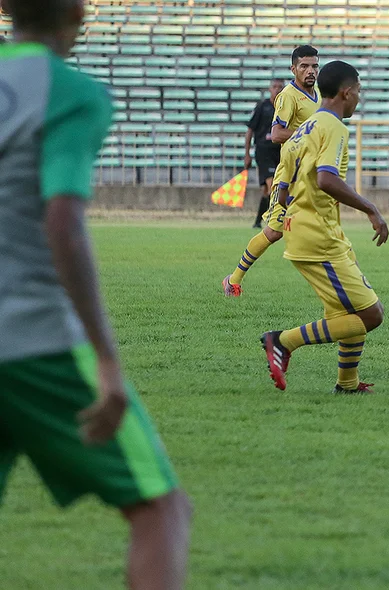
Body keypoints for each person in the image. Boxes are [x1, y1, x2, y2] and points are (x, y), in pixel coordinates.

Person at [0, 0, 191, 588]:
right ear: (80, 15)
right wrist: (107, 358)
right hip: (34, 338)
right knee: (159, 508)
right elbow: (63, 222)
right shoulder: (71, 93)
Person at [260, 61, 389, 394]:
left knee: (347, 312)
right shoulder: (333, 127)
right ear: (347, 92)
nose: (358, 98)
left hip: (309, 229)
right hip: (318, 236)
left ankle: (347, 383)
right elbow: (326, 179)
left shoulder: (306, 127)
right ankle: (283, 341)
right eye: (358, 91)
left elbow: (284, 182)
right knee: (371, 314)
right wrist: (370, 209)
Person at [223, 44, 321, 297]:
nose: (310, 71)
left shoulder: (319, 95)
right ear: (294, 69)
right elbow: (277, 133)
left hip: (311, 176)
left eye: (314, 66)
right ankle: (233, 279)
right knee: (273, 232)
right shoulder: (288, 96)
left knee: (321, 228)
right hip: (289, 176)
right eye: (304, 66)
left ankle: (334, 288)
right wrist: (310, 133)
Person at [245, 78, 285, 228]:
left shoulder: (285, 108)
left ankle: (257, 222)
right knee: (273, 185)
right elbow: (250, 130)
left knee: (267, 190)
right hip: (264, 151)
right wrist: (247, 154)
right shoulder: (263, 107)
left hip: (281, 152)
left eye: (280, 87)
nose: (277, 90)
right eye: (274, 87)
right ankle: (275, 221)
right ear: (270, 89)